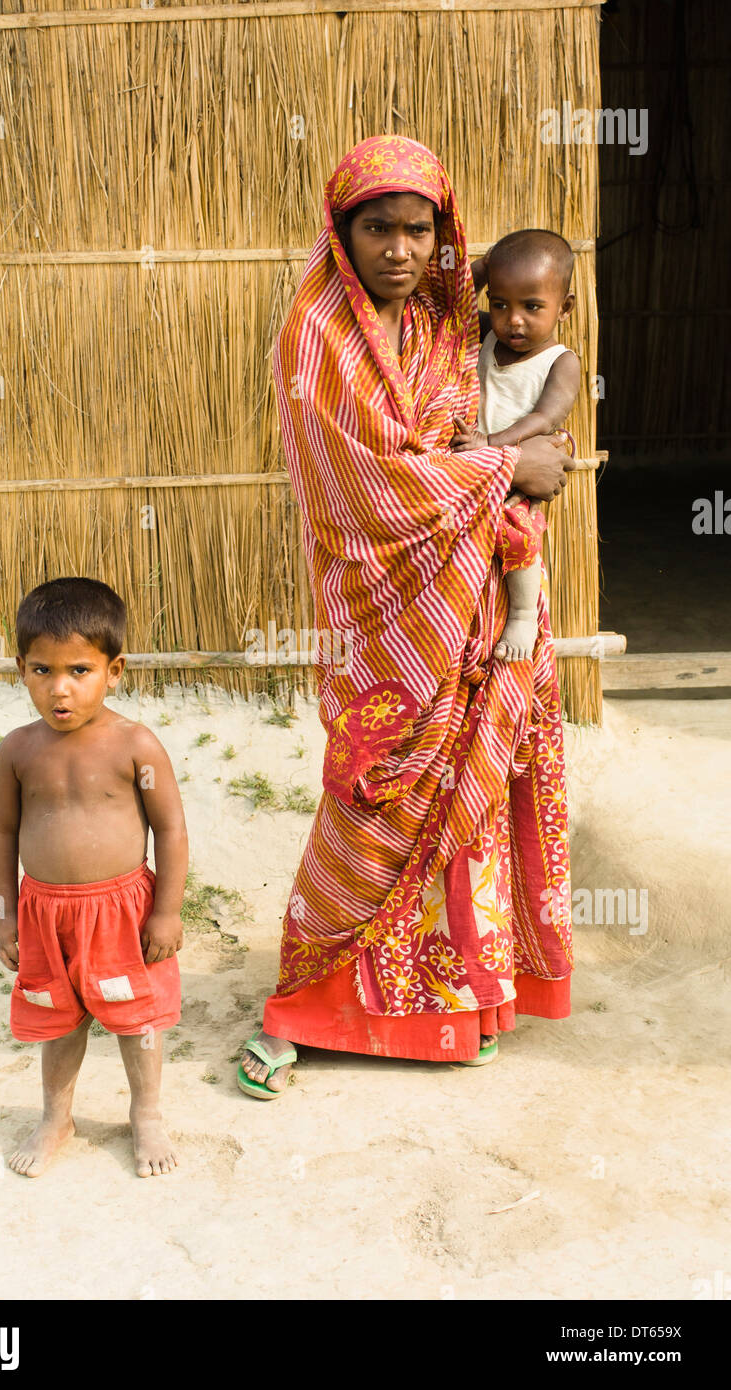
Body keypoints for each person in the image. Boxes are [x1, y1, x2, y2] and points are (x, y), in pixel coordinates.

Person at [238, 135, 574, 1099]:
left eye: (417, 229)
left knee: (469, 795)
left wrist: (507, 460)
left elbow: (528, 375)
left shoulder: (446, 315)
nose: (398, 249)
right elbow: (359, 491)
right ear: (340, 233)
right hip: (380, 618)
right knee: (373, 795)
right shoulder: (320, 338)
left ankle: (461, 998)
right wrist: (506, 466)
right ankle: (313, 1006)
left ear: (442, 236)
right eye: (376, 227)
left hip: (475, 603)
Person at [0, 577, 188, 1175]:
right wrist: (4, 917)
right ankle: (56, 1116)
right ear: (20, 668)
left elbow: (171, 829)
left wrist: (168, 911)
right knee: (57, 1017)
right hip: (44, 913)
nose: (59, 689)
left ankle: (145, 1114)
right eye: (42, 671)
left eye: (78, 669)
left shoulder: (135, 745)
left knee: (137, 1019)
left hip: (122, 911)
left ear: (115, 669)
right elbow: (0, 833)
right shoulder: (18, 751)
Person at [450, 229, 581, 661]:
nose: (514, 319)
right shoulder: (489, 334)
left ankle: (522, 614)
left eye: (532, 306)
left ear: (564, 308)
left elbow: (545, 418)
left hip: (518, 478)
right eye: (500, 303)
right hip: (477, 471)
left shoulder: (560, 361)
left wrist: (493, 446)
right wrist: (484, 269)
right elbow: (452, 303)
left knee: (520, 539)